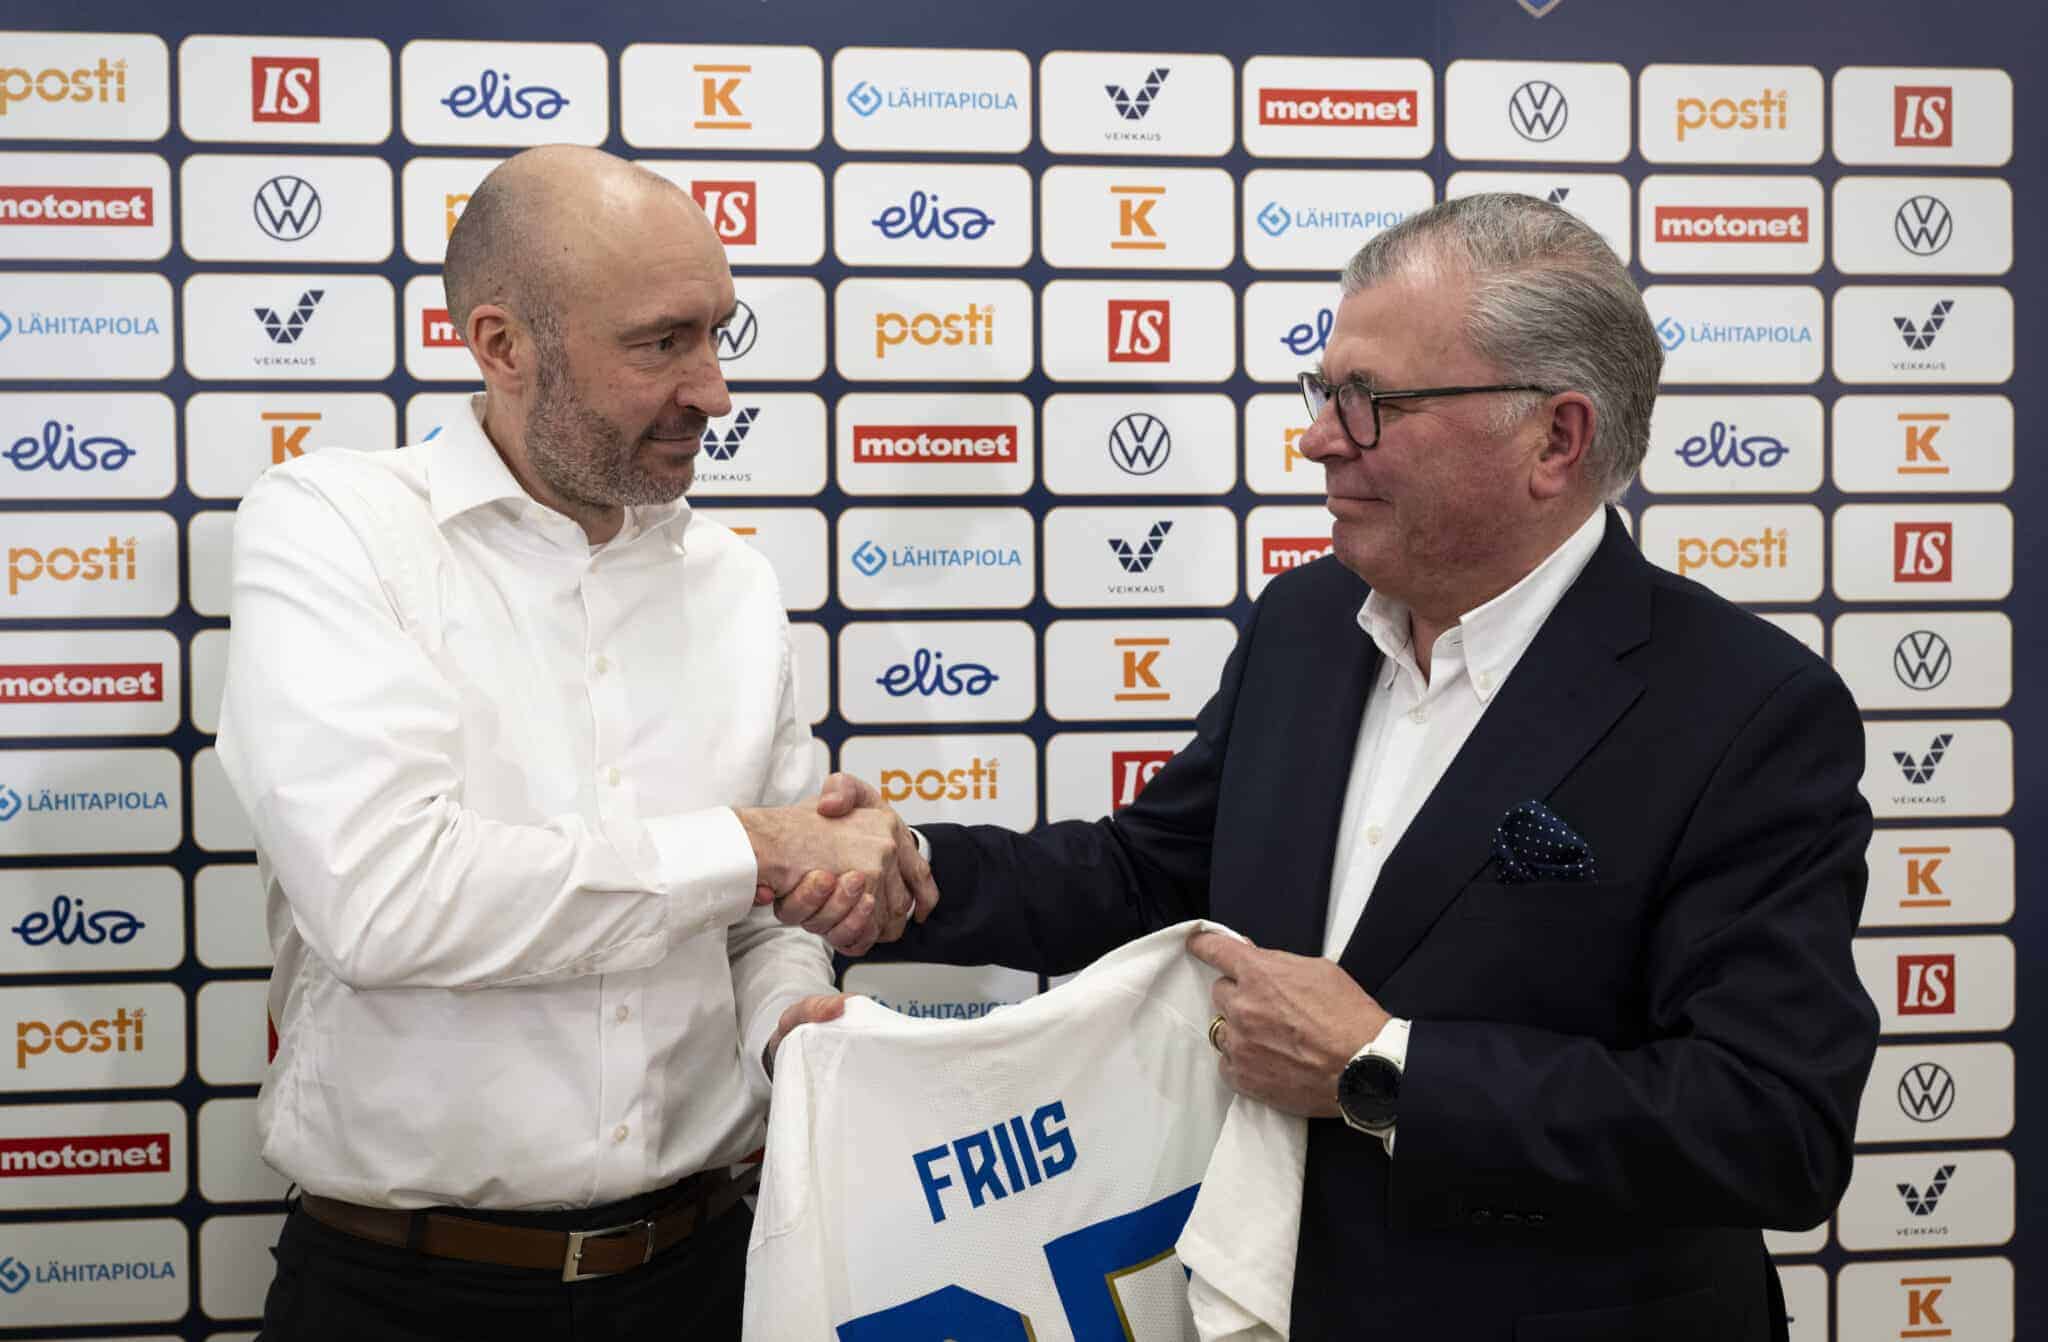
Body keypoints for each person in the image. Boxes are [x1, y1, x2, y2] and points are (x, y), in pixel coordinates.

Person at [796, 193, 1879, 1340]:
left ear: (1553, 440)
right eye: (1320, 393)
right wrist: (903, 867)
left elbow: (1769, 1125)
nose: (1318, 438)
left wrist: (1382, 1067)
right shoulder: (1306, 622)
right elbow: (1150, 875)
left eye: (1370, 402)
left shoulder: (1743, 708)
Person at [215, 145, 925, 1342]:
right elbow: (384, 899)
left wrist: (787, 1022)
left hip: (706, 1275)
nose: (713, 392)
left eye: (718, 334)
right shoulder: (338, 530)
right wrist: (756, 843)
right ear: (503, 346)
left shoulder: (733, 583)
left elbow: (758, 923)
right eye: (661, 344)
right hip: (404, 1299)